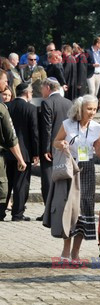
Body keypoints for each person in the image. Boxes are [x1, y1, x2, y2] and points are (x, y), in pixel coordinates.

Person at [51, 95, 100, 260]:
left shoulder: (96, 127)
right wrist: (62, 144)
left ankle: (76, 252)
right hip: (71, 168)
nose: (92, 112)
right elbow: (55, 142)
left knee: (84, 210)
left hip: (87, 170)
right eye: (89, 109)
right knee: (71, 209)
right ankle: (66, 250)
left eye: (94, 109)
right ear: (80, 109)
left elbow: (99, 153)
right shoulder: (68, 124)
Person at [38, 78, 73, 220]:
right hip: (66, 146)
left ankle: (49, 212)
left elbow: (47, 127)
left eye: (42, 88)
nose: (41, 91)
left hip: (52, 147)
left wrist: (46, 148)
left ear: (47, 87)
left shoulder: (47, 103)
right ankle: (63, 210)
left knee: (48, 179)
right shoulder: (69, 102)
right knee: (63, 178)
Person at [5, 83, 39, 221]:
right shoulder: (31, 108)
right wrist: (36, 152)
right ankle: (17, 213)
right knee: (21, 183)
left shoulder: (7, 106)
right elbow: (34, 132)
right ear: (27, 93)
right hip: (25, 152)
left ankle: (1, 211)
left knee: (6, 182)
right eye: (31, 92)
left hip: (7, 151)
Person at [0, 69, 28, 221]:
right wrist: (21, 159)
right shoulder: (2, 109)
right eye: (5, 81)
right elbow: (11, 137)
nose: (6, 84)